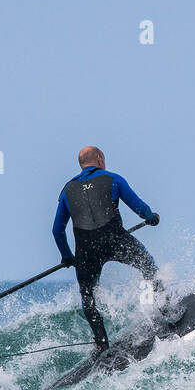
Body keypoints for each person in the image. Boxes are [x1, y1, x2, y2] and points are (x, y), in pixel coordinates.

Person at [51, 146, 161, 352]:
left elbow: (57, 231)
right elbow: (139, 207)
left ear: (81, 164)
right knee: (148, 266)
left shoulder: (67, 189)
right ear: (100, 159)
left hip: (86, 250)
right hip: (116, 240)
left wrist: (67, 256)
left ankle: (101, 343)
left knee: (88, 295)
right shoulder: (114, 179)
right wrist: (151, 218)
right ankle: (162, 308)